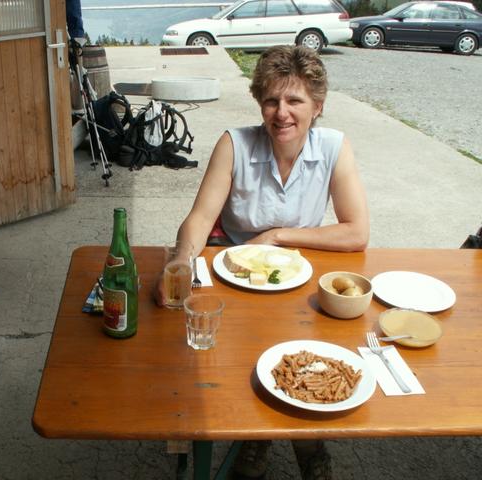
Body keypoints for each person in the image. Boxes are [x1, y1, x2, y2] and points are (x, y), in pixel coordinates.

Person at [156, 45, 369, 479]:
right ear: (259, 102)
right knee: (237, 361)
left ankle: (308, 441)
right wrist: (179, 261)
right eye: (272, 100)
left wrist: (278, 235)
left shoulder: (334, 147)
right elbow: (199, 218)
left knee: (304, 360)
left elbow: (356, 232)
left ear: (318, 105)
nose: (282, 113)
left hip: (300, 277)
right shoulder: (234, 143)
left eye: (295, 101)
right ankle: (256, 439)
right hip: (235, 276)